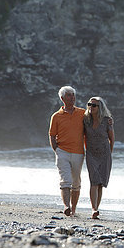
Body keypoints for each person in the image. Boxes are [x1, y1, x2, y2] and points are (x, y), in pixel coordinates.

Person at [48, 86, 85, 216]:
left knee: (76, 182)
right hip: (62, 151)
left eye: (73, 95)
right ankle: (66, 206)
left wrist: (108, 121)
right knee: (65, 180)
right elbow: (52, 135)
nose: (72, 97)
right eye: (69, 95)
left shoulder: (82, 113)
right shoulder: (56, 116)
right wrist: (56, 150)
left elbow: (95, 121)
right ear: (62, 98)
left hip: (79, 152)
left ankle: (73, 209)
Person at [83, 96, 115, 219]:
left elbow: (112, 139)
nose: (91, 107)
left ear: (100, 107)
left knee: (101, 183)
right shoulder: (85, 120)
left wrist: (109, 153)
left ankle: (96, 208)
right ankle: (93, 209)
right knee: (94, 180)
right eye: (89, 104)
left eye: (94, 105)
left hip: (105, 154)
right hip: (91, 154)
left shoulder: (107, 120)